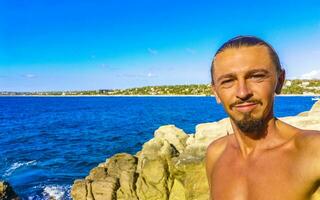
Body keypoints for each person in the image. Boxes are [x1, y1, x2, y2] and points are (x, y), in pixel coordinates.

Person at [205, 36, 320, 200]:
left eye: (256, 76)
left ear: (279, 81)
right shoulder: (215, 154)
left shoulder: (313, 153)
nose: (243, 92)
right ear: (215, 92)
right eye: (228, 81)